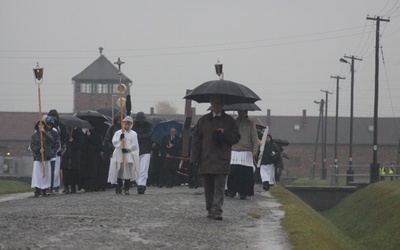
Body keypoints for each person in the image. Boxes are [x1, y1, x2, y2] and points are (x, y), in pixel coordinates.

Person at [191, 95, 241, 220]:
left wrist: (225, 134)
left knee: (219, 186)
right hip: (206, 158)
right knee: (208, 186)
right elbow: (196, 140)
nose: (216, 105)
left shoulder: (229, 121)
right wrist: (195, 158)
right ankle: (210, 208)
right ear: (210, 104)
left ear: (222, 104)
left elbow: (236, 138)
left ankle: (217, 210)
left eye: (218, 103)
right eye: (213, 103)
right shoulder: (203, 120)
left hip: (221, 159)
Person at [227, 110, 258, 200]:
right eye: (239, 111)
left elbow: (254, 138)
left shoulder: (251, 124)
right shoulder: (233, 122)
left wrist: (255, 149)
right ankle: (232, 190)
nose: (240, 113)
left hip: (246, 150)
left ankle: (243, 192)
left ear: (245, 112)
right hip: (234, 149)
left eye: (242, 112)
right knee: (233, 172)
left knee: (244, 174)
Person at [111, 116, 140, 195]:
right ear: (123, 123)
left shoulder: (134, 134)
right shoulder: (118, 133)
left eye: (128, 122)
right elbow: (114, 142)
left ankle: (126, 188)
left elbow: (135, 145)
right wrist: (120, 139)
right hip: (119, 155)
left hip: (129, 156)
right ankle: (119, 187)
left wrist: (127, 149)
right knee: (119, 171)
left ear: (131, 124)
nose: (127, 124)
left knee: (128, 172)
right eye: (125, 122)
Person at [30, 119, 55, 197]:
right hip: (38, 157)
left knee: (46, 173)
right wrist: (38, 149)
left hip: (46, 157)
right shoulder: (34, 136)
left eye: (42, 125)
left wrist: (44, 132)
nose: (41, 126)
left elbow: (52, 140)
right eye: (39, 125)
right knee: (37, 174)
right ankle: (37, 189)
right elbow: (32, 146)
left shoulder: (47, 134)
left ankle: (44, 189)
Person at [132, 112, 153, 194]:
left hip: (145, 149)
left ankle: (141, 184)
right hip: (137, 149)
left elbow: (149, 135)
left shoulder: (149, 125)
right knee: (137, 169)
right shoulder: (135, 126)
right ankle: (139, 183)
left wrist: (138, 137)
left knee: (143, 169)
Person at [61, 126, 84, 194]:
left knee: (74, 172)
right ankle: (66, 186)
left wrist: (73, 142)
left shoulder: (77, 132)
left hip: (74, 155)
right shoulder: (64, 132)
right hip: (66, 155)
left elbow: (81, 144)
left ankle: (73, 186)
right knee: (65, 172)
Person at [103, 113, 123, 186]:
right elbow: (107, 140)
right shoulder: (112, 128)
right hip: (114, 151)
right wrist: (112, 147)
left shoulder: (125, 129)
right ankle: (114, 182)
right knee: (114, 167)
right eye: (118, 119)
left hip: (123, 151)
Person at [44, 116, 61, 195]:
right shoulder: (44, 132)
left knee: (51, 172)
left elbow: (57, 143)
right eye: (47, 125)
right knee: (46, 172)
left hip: (52, 156)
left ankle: (51, 187)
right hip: (45, 156)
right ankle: (45, 187)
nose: (49, 126)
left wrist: (53, 152)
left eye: (50, 125)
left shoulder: (54, 132)